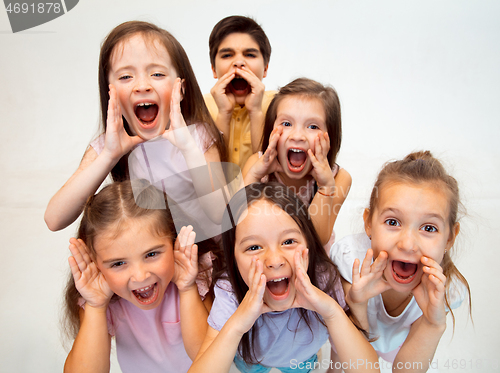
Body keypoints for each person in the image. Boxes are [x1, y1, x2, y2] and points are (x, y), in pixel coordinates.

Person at [45, 21, 226, 232]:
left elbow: (220, 212)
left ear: (181, 89)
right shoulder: (106, 146)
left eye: (157, 74)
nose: (142, 86)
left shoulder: (200, 137)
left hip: (207, 258)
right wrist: (109, 156)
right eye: (125, 77)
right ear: (110, 91)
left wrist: (188, 148)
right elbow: (54, 219)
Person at [188, 183, 379, 373]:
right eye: (254, 247)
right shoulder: (230, 290)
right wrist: (237, 324)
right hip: (251, 360)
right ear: (234, 259)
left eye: (288, 242)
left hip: (301, 359)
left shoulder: (323, 279)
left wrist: (331, 311)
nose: (275, 260)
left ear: (308, 246)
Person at [330, 151, 471, 372]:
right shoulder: (352, 260)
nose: (407, 244)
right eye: (393, 222)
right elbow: (361, 368)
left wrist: (433, 325)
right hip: (358, 334)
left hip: (403, 345)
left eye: (429, 228)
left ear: (450, 238)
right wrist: (356, 304)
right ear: (368, 223)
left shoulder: (445, 289)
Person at [63, 180, 215, 373]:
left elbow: (211, 359)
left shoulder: (195, 276)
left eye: (151, 254)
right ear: (96, 264)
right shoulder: (102, 298)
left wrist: (187, 288)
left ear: (173, 241)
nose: (140, 276)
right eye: (118, 263)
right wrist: (95, 306)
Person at [243, 78, 352, 249]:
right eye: (286, 124)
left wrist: (325, 188)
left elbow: (317, 239)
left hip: (310, 263)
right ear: (271, 129)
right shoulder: (255, 166)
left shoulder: (339, 178)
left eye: (313, 126)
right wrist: (254, 176)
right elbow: (239, 224)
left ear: (330, 136)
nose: (297, 135)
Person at [205, 15, 275, 169]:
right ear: (213, 69)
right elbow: (210, 176)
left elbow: (270, 174)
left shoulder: (280, 106)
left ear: (265, 68)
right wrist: (224, 113)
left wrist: (256, 111)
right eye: (227, 55)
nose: (238, 62)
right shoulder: (200, 109)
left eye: (249, 55)